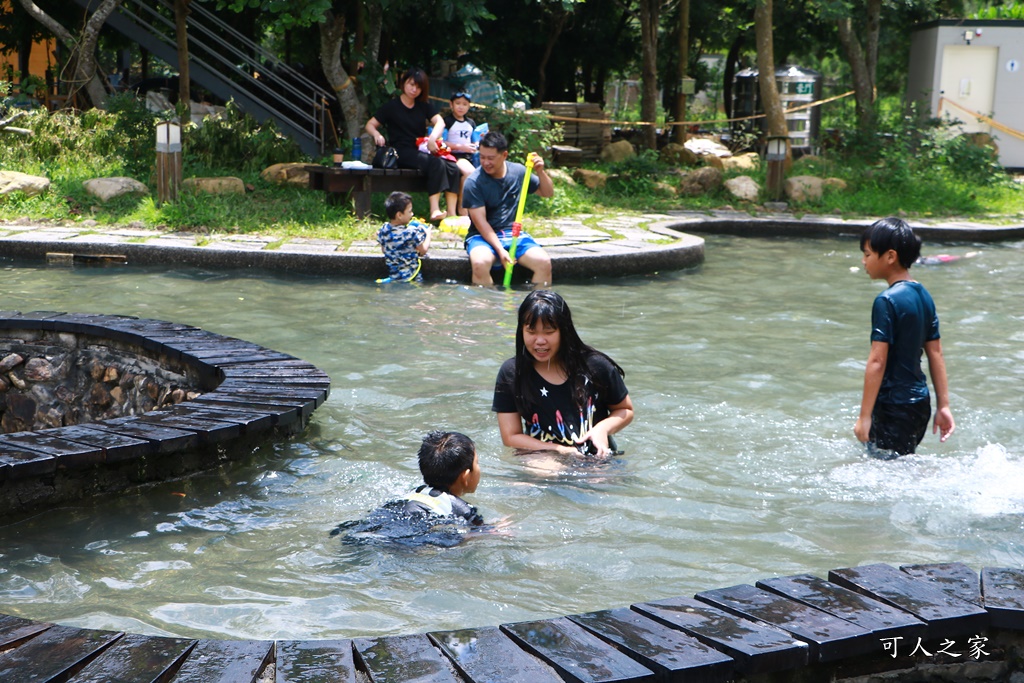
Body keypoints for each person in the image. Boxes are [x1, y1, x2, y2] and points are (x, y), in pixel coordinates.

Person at [854, 217, 955, 458]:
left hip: (892, 405)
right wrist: (944, 406)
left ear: (890, 256)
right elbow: (936, 353)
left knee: (884, 469)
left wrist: (864, 416)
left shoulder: (886, 301)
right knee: (901, 462)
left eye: (867, 254)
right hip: (919, 404)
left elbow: (877, 362)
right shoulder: (924, 295)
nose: (863, 261)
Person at [493, 290, 633, 457]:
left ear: (564, 331)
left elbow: (625, 410)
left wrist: (602, 429)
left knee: (599, 477)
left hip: (598, 459)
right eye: (531, 332)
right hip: (544, 455)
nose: (540, 340)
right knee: (541, 470)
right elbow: (511, 436)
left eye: (549, 331)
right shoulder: (511, 373)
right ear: (521, 331)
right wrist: (559, 450)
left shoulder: (595, 366)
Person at [331, 431, 484, 547]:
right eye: (477, 463)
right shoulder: (463, 509)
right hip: (406, 540)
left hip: (384, 521)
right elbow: (481, 532)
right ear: (465, 476)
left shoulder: (416, 493)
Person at [365, 67, 462, 222]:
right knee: (436, 163)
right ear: (403, 83)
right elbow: (370, 125)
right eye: (411, 84)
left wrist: (432, 138)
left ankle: (452, 214)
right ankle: (434, 210)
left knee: (451, 166)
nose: (414, 89)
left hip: (419, 148)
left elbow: (440, 122)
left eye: (418, 87)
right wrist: (377, 134)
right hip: (400, 151)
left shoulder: (424, 106)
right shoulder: (391, 106)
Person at [463, 131, 554, 286]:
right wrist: (500, 250)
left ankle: (538, 306)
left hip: (513, 234)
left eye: (490, 158)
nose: (485, 162)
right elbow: (480, 223)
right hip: (481, 236)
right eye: (482, 157)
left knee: (543, 262)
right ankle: (486, 306)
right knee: (480, 264)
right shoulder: (473, 182)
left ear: (504, 155)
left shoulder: (518, 172)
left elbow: (547, 193)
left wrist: (540, 172)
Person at [377, 191, 431, 283]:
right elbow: (423, 250)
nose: (412, 214)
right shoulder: (410, 232)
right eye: (410, 211)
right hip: (413, 278)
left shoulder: (384, 229)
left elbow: (384, 250)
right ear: (399, 215)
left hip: (394, 277)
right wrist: (428, 234)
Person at [443, 91, 478, 178]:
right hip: (453, 156)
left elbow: (475, 140)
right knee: (470, 173)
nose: (461, 107)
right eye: (458, 103)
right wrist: (461, 147)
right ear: (451, 104)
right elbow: (442, 142)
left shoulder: (471, 123)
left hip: (470, 156)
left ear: (469, 106)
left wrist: (476, 144)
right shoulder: (447, 121)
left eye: (464, 104)